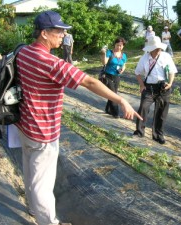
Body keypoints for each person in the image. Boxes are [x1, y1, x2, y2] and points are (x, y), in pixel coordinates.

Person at [15, 11, 142, 225]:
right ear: (44, 33)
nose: (63, 35)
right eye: (59, 31)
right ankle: (49, 221)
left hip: (25, 124)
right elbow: (90, 82)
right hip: (43, 130)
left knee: (30, 171)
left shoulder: (24, 52)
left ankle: (33, 207)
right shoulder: (50, 62)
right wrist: (121, 100)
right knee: (42, 183)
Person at [133, 36, 177, 144]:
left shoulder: (166, 56)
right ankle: (139, 131)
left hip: (163, 88)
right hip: (149, 87)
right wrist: (142, 85)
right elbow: (137, 73)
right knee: (143, 107)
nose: (158, 50)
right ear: (150, 49)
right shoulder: (144, 58)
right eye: (156, 48)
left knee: (161, 112)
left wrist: (170, 83)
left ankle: (158, 135)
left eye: (159, 48)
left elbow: (172, 71)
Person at [100, 37, 127, 118]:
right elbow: (104, 62)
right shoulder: (110, 52)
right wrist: (103, 53)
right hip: (108, 75)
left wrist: (123, 69)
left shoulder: (124, 55)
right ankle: (115, 112)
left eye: (121, 46)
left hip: (117, 76)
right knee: (114, 94)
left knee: (113, 92)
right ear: (115, 45)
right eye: (118, 45)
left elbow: (124, 64)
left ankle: (107, 109)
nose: (119, 47)